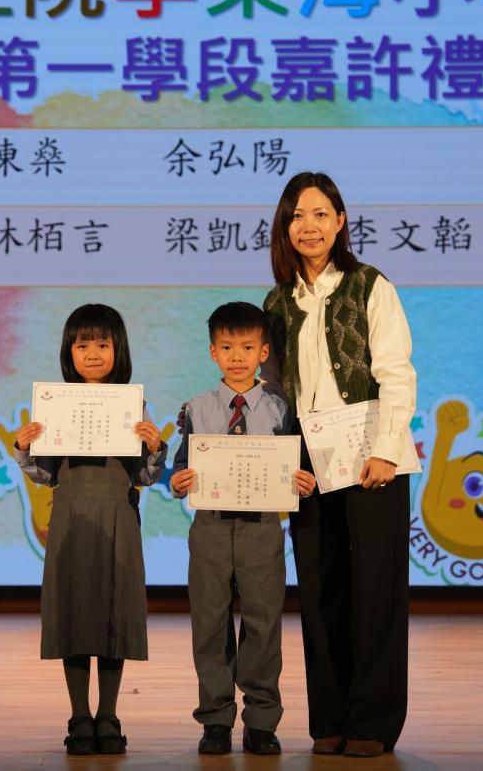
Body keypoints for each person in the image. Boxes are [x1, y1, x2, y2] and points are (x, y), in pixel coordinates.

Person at [262, 171, 419, 758]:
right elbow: (274, 390)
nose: (309, 226)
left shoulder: (369, 285)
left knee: (375, 588)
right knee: (319, 588)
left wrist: (385, 448)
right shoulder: (277, 302)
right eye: (297, 216)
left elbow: (396, 372)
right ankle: (330, 717)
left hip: (373, 455)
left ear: (341, 221)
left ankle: (374, 721)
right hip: (309, 460)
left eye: (321, 214)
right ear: (285, 226)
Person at [12, 304, 165, 755]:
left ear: (120, 350)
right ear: (69, 352)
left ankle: (109, 716)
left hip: (119, 511)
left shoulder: (134, 405)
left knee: (115, 614)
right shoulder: (54, 404)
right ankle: (80, 716)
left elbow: (145, 475)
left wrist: (155, 447)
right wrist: (24, 448)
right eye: (83, 345)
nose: (93, 353)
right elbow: (44, 474)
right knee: (74, 613)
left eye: (103, 344)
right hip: (70, 513)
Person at [168, 302, 316, 756]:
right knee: (209, 623)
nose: (237, 356)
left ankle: (261, 722)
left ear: (263, 352)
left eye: (247, 347)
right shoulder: (196, 408)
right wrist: (177, 481)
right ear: (213, 352)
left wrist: (303, 482)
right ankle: (215, 720)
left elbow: (294, 467)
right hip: (210, 528)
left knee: (263, 623)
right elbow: (180, 466)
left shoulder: (280, 409)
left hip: (262, 529)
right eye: (227, 347)